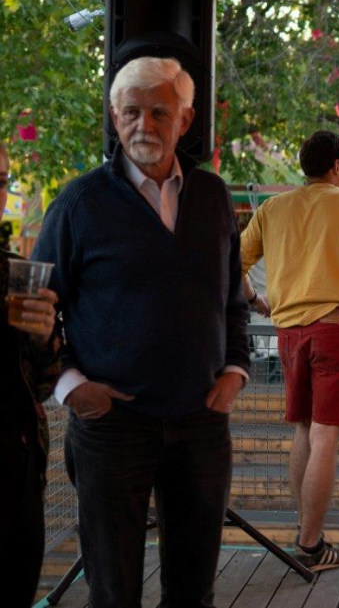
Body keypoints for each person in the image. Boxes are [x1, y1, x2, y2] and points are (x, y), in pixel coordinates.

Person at [33, 56, 251, 607]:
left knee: (194, 593)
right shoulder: (79, 204)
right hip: (111, 427)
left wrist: (235, 370)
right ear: (114, 116)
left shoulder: (213, 196)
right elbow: (33, 311)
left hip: (201, 422)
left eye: (159, 112)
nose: (143, 125)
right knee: (113, 593)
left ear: (186, 119)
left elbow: (233, 298)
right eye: (130, 112)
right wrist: (69, 387)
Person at [239, 130, 339, 572]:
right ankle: (310, 545)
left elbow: (233, 262)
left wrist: (255, 300)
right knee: (325, 434)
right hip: (334, 329)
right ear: (336, 166)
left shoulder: (272, 208)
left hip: (288, 332)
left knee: (304, 430)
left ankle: (306, 534)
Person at [0, 141, 62, 608]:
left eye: (1, 180)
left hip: (15, 468)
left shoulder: (14, 272)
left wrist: (43, 337)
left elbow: (42, 383)